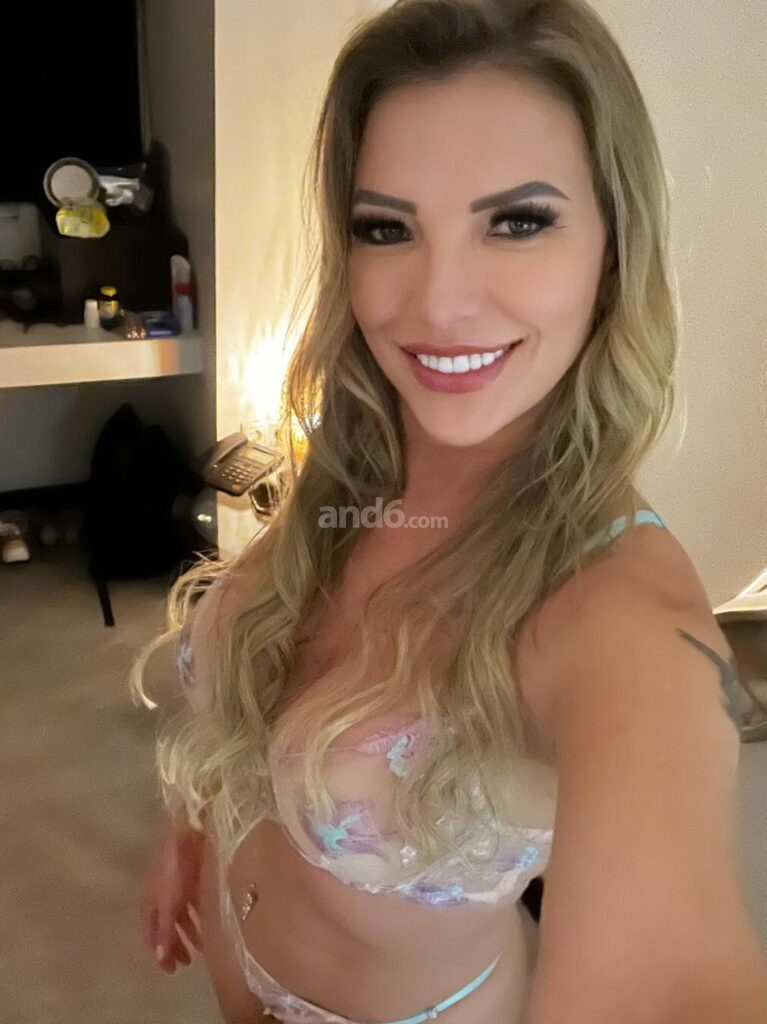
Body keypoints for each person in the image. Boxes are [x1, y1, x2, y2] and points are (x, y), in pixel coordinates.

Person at [133, 1, 767, 1022]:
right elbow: (248, 702)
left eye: (516, 221)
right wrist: (191, 836)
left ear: (613, 246)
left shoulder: (618, 625)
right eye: (386, 228)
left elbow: (673, 975)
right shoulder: (357, 462)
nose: (436, 302)